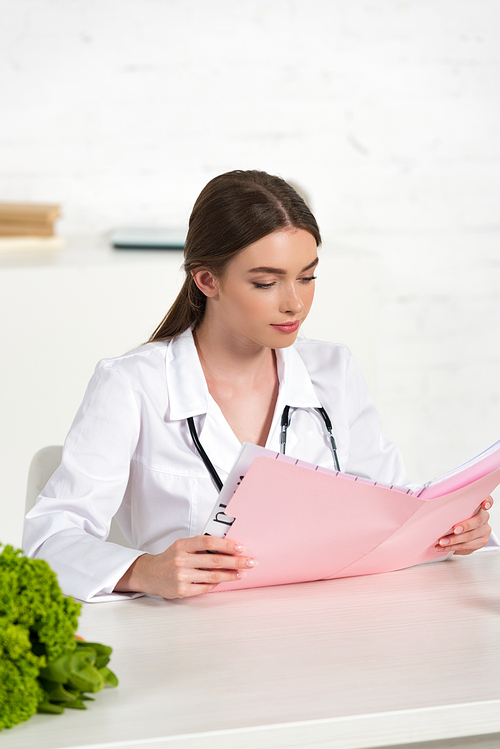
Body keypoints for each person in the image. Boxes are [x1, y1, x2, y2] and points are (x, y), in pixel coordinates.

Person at [23, 170, 494, 602]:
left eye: (307, 277)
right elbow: (50, 539)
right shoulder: (131, 384)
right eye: (267, 283)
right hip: (190, 638)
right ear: (207, 280)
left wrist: (451, 533)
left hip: (331, 622)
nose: (295, 304)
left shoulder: (334, 370)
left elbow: (393, 507)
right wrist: (143, 571)